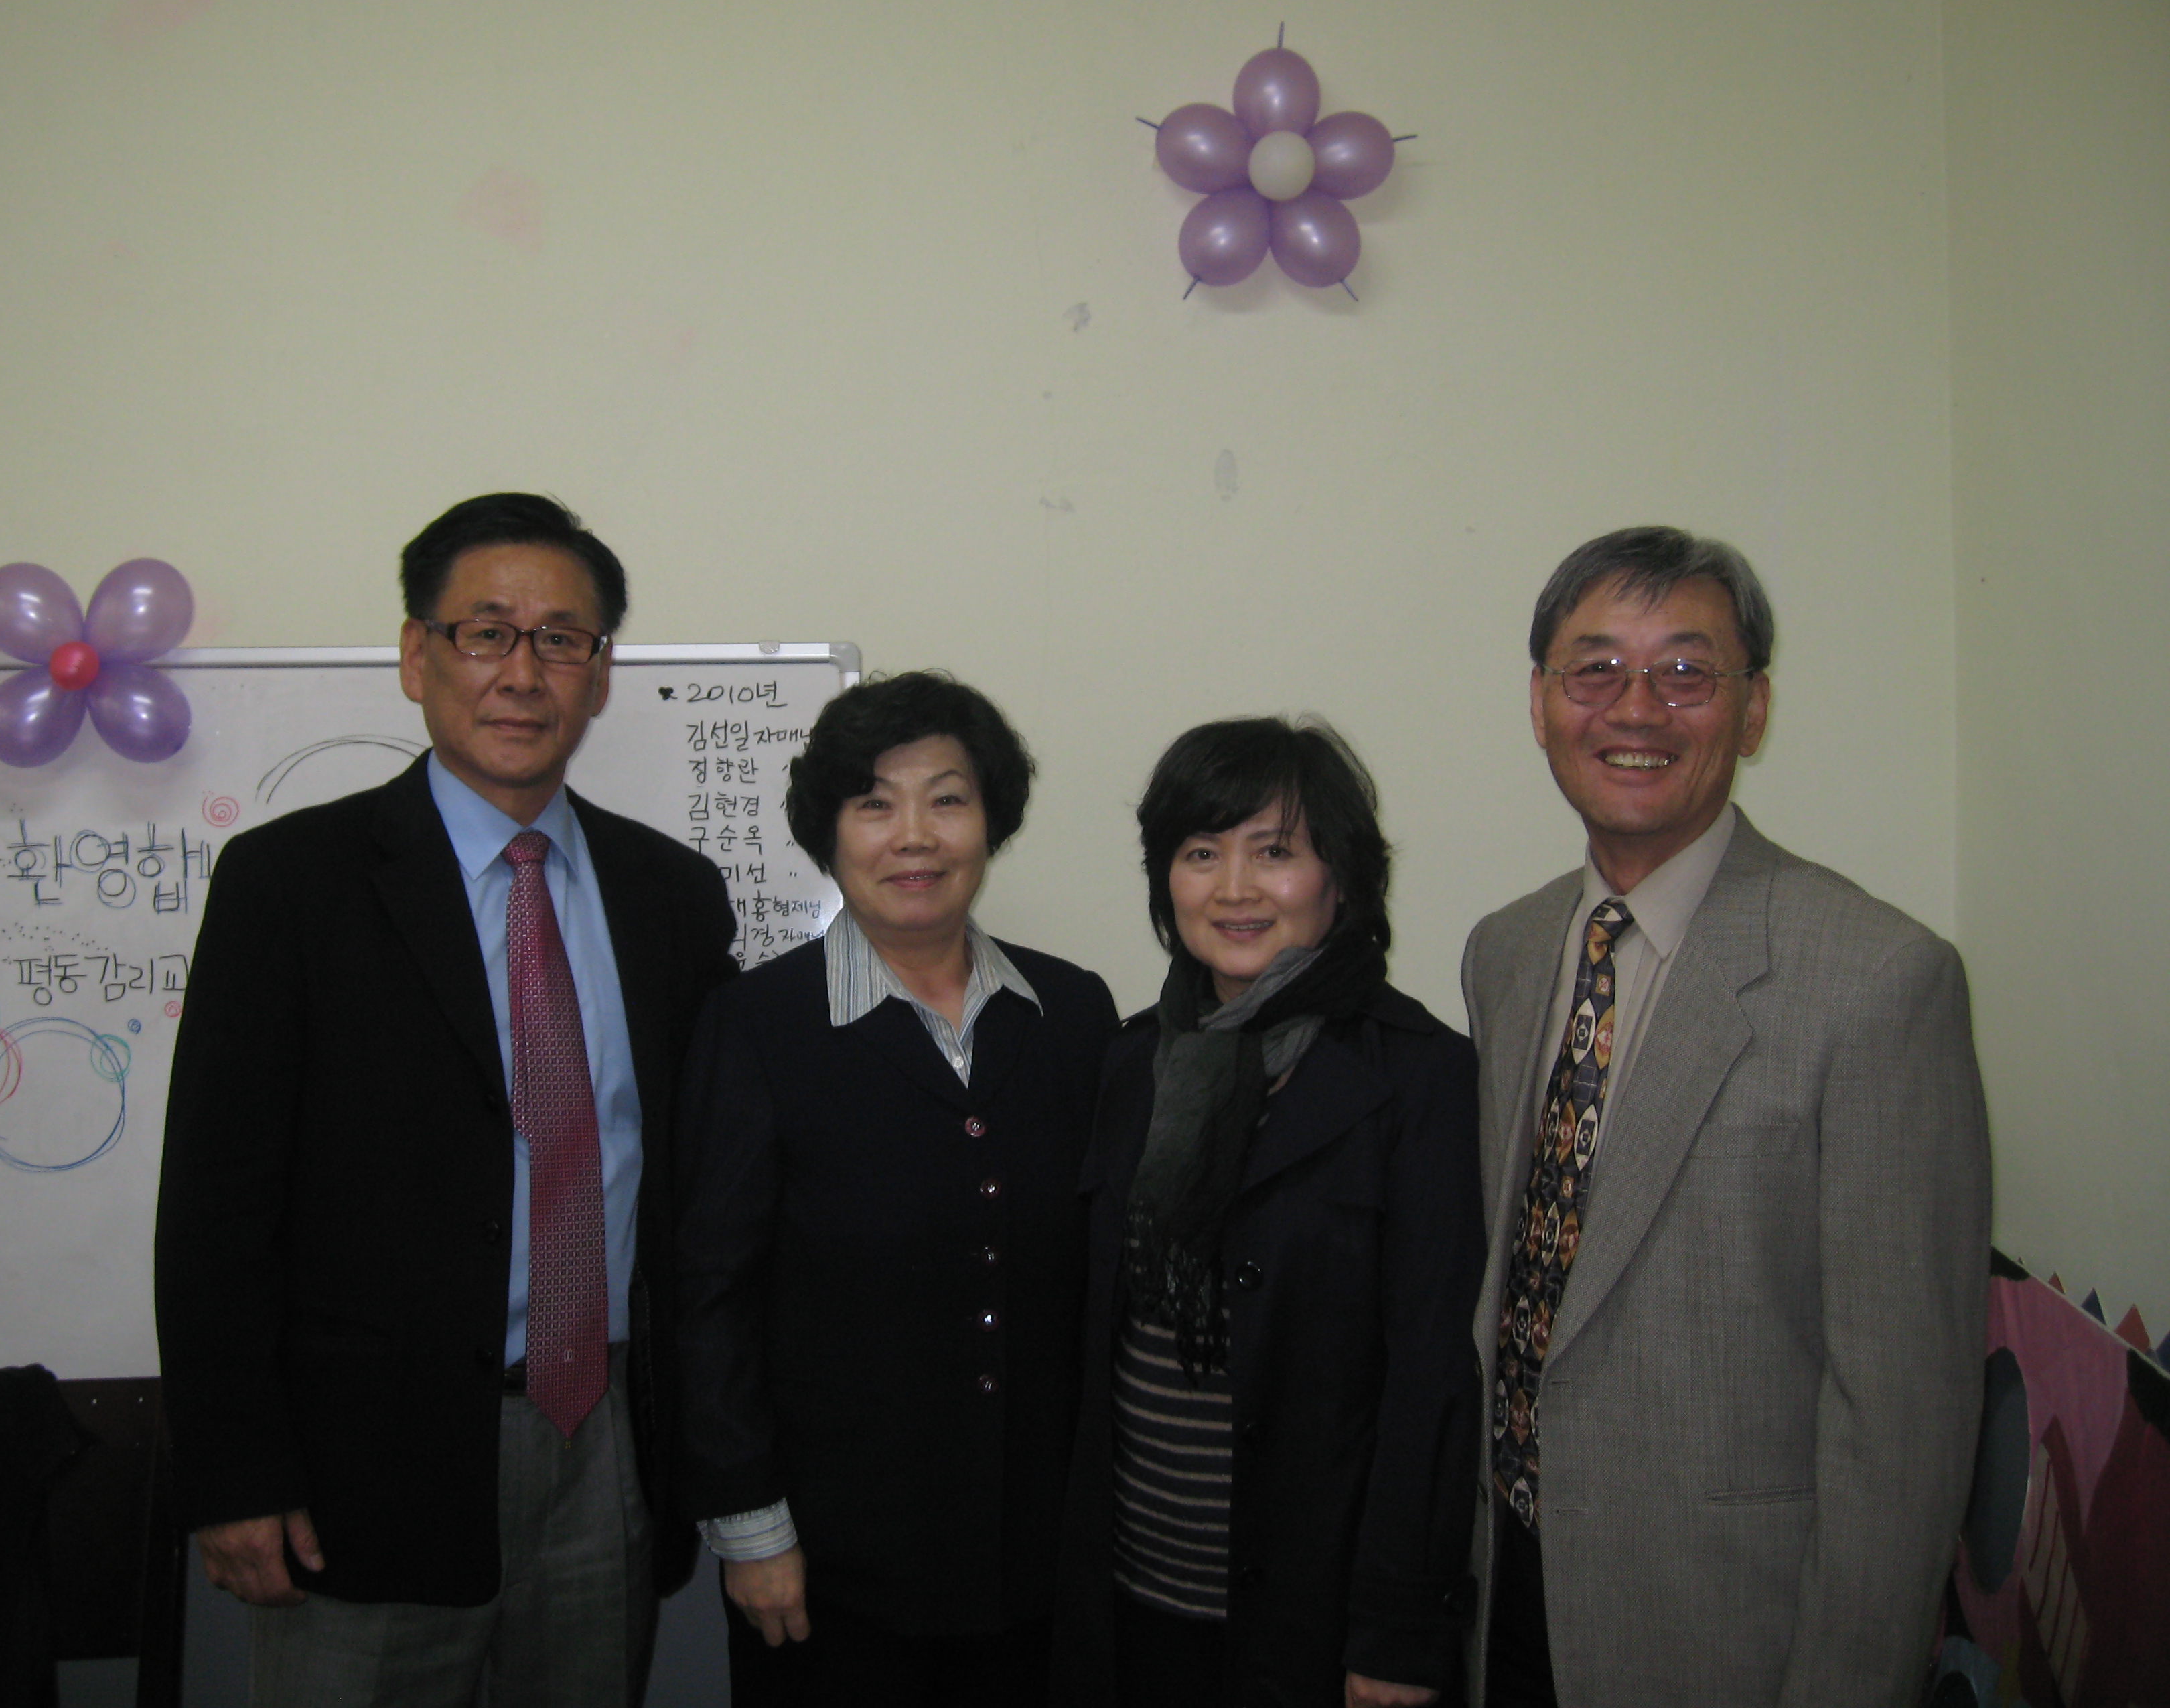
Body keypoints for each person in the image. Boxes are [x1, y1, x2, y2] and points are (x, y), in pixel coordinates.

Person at [153, 493, 739, 1708]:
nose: (523, 673)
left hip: (607, 1446)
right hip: (360, 1470)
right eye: (486, 633)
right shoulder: (290, 886)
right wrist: (234, 1472)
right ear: (417, 655)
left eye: (560, 639)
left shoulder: (671, 896)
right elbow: (215, 1206)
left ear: (600, 673)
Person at [1465, 526, 1991, 1705]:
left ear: (1753, 711)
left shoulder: (1879, 979)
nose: (1636, 708)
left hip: (1730, 1631)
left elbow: (1903, 1417)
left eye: (1686, 672)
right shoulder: (1507, 951)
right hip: (1512, 1596)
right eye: (1595, 669)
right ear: (1541, 703)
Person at [670, 670, 1118, 1707]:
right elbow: (708, 1293)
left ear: (992, 821)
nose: (914, 835)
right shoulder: (757, 1025)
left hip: (1038, 1560)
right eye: (874, 803)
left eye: (947, 799)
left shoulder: (1073, 1013)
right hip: (828, 1571)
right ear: (827, 832)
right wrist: (751, 1527)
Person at [1056, 717, 1483, 1708]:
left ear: (1341, 878)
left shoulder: (1417, 1076)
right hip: (1133, 1597)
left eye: (1276, 852)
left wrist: (1397, 1631)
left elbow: (1432, 1373)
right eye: (1201, 853)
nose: (1235, 889)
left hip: (1317, 1620)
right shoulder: (1133, 1064)